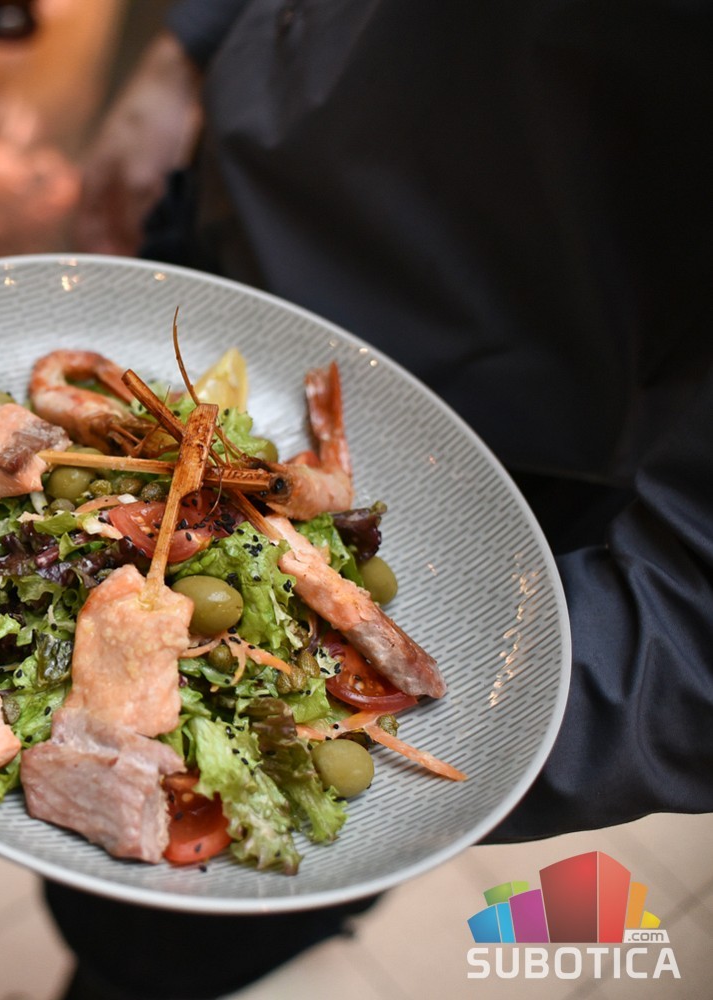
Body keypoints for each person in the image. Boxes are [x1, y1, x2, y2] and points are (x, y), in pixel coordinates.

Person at [52, 0, 713, 996]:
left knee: (158, 937)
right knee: (86, 885)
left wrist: (466, 715)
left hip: (502, 446)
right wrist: (186, 47)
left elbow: (690, 634)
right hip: (227, 210)